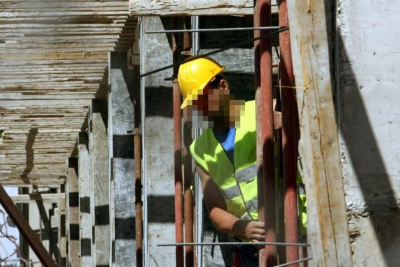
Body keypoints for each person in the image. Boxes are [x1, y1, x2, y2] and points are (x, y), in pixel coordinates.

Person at [178, 56, 306, 267]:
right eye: (193, 103)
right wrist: (241, 228)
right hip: (252, 249)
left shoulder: (263, 111)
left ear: (223, 86)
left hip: (295, 234)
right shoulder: (201, 149)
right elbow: (215, 209)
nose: (200, 108)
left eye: (203, 98)